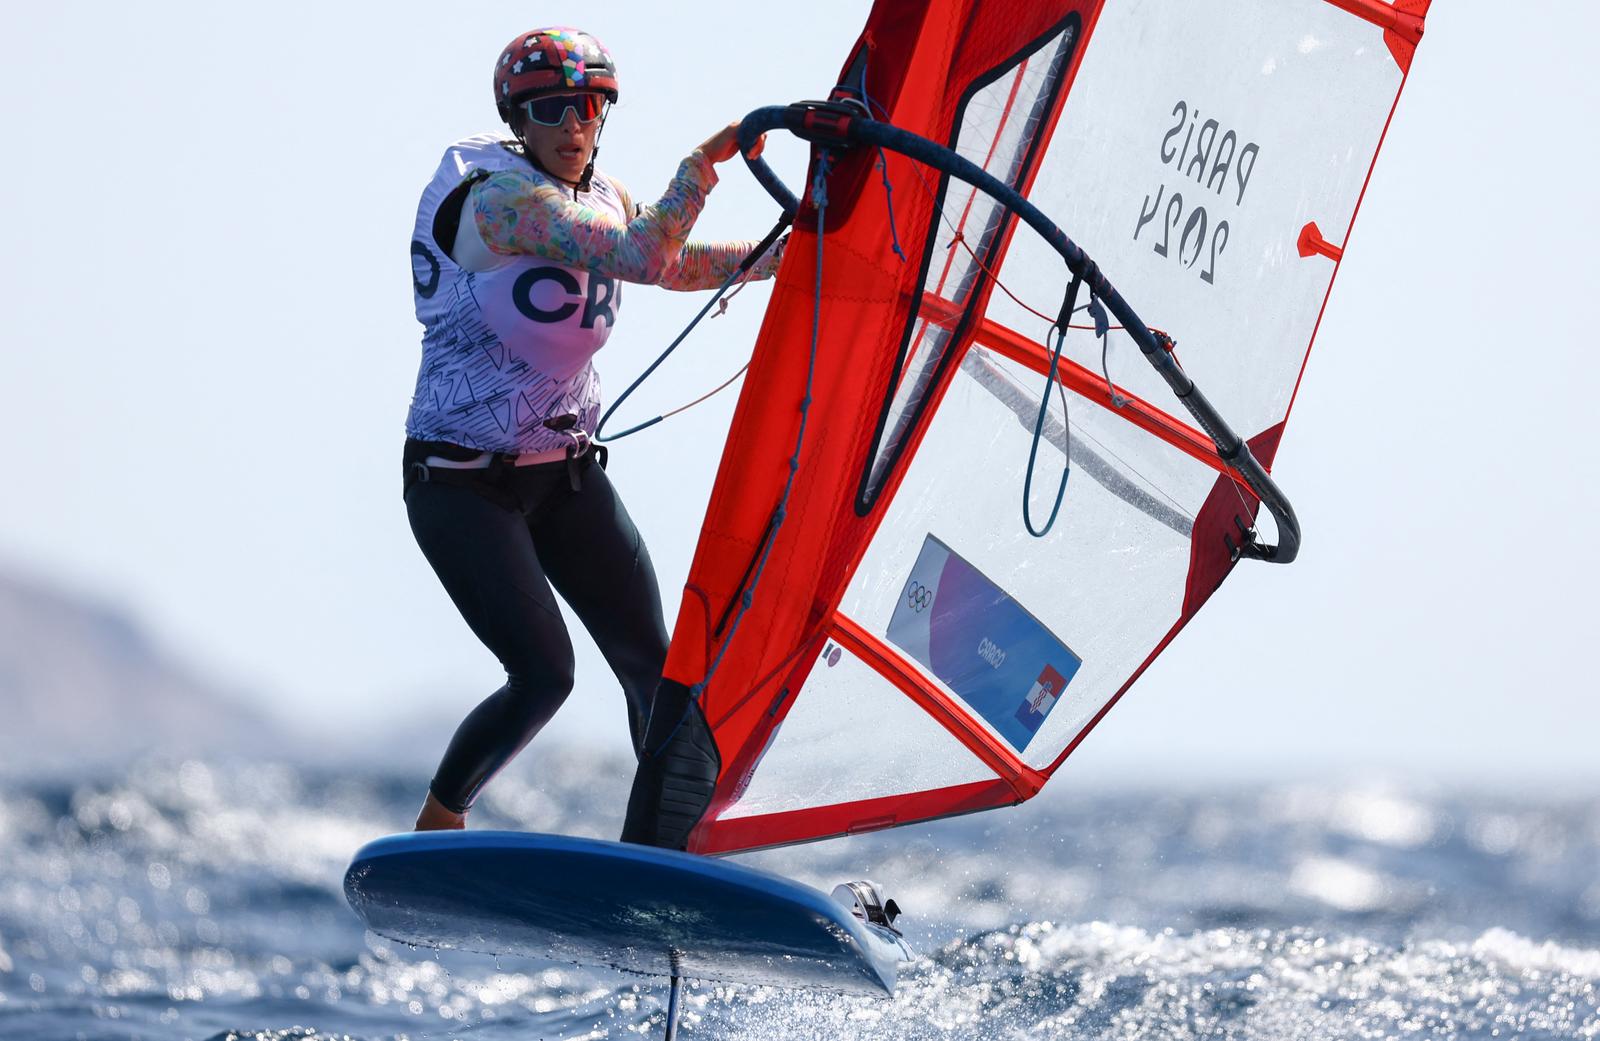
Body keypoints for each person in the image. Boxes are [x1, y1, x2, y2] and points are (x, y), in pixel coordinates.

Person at [402, 26, 782, 831]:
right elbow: (645, 256)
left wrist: (786, 255)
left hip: (566, 477)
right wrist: (704, 164)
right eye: (551, 111)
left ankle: (661, 850)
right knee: (544, 675)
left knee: (658, 667)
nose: (574, 126)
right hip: (460, 485)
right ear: (518, 119)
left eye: (589, 108)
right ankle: (439, 821)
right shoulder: (500, 201)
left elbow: (674, 263)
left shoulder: (601, 196)